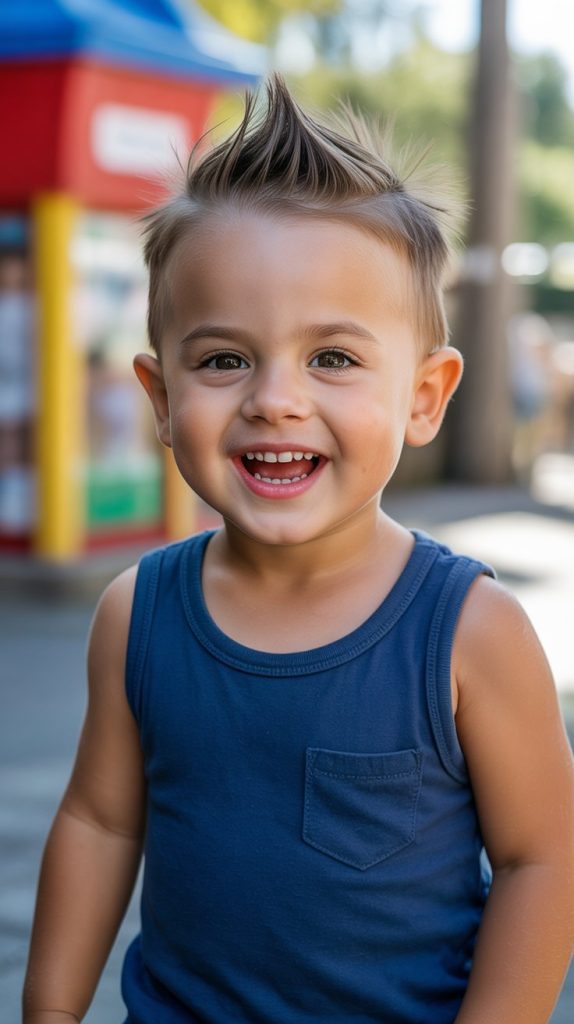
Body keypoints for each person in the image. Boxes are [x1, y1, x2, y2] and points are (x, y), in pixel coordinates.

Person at [23, 76, 574, 1024]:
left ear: (425, 397)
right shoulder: (136, 614)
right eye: (224, 358)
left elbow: (544, 859)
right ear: (160, 398)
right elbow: (100, 821)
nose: (274, 399)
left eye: (333, 358)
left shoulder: (469, 630)